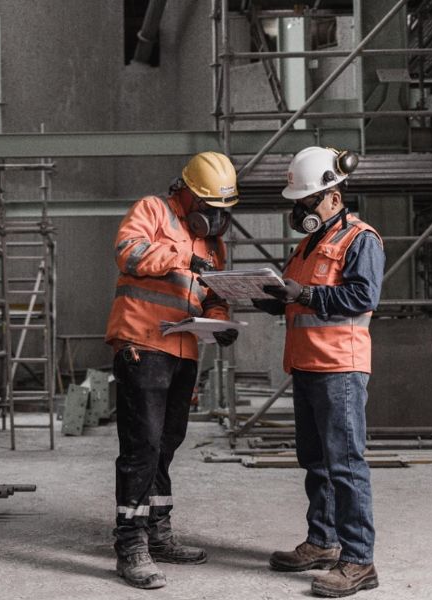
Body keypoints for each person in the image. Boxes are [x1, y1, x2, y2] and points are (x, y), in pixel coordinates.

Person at [252, 146, 384, 598]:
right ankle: (323, 542)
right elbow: (298, 297)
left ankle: (359, 560)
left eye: (305, 200)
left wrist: (304, 295)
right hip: (307, 366)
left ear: (331, 194)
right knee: (316, 463)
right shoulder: (307, 246)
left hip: (339, 368)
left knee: (346, 466)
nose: (299, 209)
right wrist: (270, 296)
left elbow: (361, 298)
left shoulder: (360, 239)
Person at [105, 151, 241, 589]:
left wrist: (220, 318)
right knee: (141, 445)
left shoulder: (212, 242)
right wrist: (183, 255)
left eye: (223, 212)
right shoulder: (152, 210)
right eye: (211, 210)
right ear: (187, 194)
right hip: (143, 343)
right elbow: (130, 255)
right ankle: (131, 544)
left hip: (183, 351)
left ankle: (157, 530)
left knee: (166, 443)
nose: (216, 220)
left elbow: (212, 291)